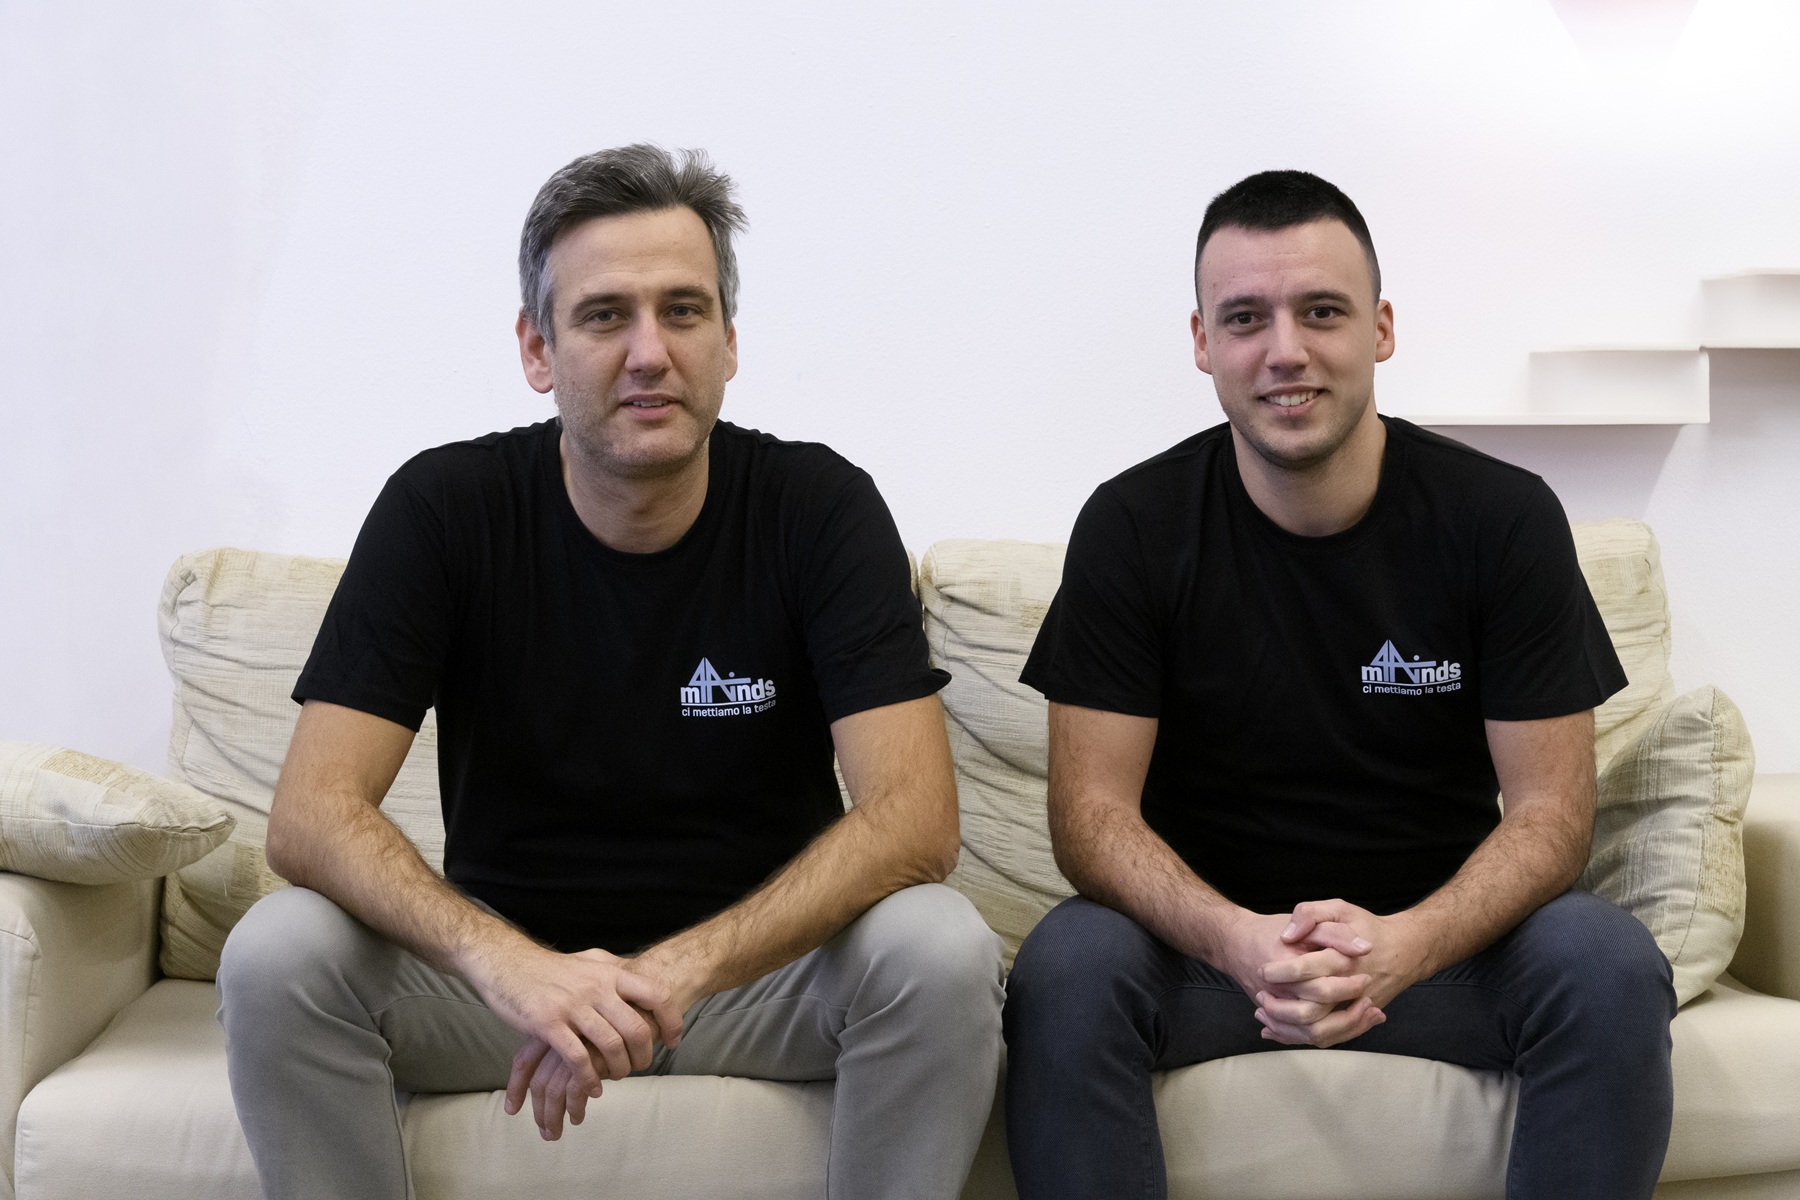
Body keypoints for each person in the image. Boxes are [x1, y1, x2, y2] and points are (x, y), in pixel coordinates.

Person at [216, 144, 1004, 1200]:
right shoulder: (444, 510)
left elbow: (917, 820)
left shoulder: (819, 509)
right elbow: (311, 815)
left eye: (684, 311)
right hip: (510, 994)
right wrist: (513, 968)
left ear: (729, 341)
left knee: (941, 946)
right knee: (277, 953)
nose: (649, 352)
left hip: (755, 985)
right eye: (603, 316)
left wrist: (678, 970)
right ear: (537, 349)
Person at [1002, 170, 1676, 1199]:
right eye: (1246, 318)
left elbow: (1552, 816)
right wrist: (1239, 942)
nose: (1285, 350)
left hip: (1441, 954)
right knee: (1069, 962)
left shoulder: (1502, 519)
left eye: (1321, 311)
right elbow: (1089, 818)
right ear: (1202, 342)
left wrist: (1404, 945)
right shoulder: (1132, 527)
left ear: (1381, 329)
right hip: (1210, 960)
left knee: (1606, 957)